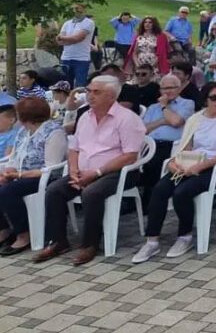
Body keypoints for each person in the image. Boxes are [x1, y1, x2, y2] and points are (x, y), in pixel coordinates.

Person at [35, 76, 146, 266]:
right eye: (88, 91)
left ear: (111, 96)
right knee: (54, 190)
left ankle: (90, 244)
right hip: (83, 170)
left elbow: (130, 156)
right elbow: (74, 148)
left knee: (91, 193)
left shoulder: (127, 119)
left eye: (96, 92)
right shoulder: (85, 116)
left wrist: (96, 173)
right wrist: (74, 170)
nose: (90, 96)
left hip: (117, 172)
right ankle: (58, 241)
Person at [132, 81, 216, 263]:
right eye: (214, 97)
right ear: (205, 99)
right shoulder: (196, 119)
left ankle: (184, 236)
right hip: (191, 162)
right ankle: (152, 240)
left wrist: (201, 166)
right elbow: (186, 146)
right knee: (160, 189)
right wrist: (175, 162)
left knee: (182, 192)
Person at [0, 98, 68, 256]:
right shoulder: (24, 132)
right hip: (22, 175)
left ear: (25, 116)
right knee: (4, 184)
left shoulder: (54, 132)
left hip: (45, 178)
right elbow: (14, 157)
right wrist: (8, 171)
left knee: (7, 191)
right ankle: (4, 230)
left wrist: (19, 175)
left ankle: (24, 234)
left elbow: (51, 166)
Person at [140, 74, 197, 205]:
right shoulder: (153, 107)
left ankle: (151, 201)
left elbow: (176, 121)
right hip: (150, 144)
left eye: (171, 88)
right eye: (164, 88)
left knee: (154, 161)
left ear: (179, 88)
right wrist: (162, 121)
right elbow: (143, 129)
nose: (167, 91)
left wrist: (164, 107)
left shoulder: (187, 104)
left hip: (173, 146)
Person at [57, 3, 95, 87]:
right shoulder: (67, 23)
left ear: (84, 10)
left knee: (80, 85)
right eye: (73, 9)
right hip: (66, 58)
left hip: (81, 59)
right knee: (65, 86)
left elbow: (78, 38)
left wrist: (65, 38)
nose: (75, 10)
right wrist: (72, 40)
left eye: (78, 8)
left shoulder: (89, 23)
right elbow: (59, 41)